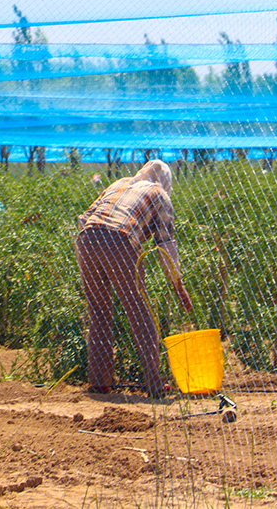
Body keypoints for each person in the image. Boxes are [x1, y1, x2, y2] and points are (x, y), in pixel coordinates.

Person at [75, 159, 192, 397]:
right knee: (139, 312)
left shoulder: (119, 183)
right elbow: (165, 247)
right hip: (120, 239)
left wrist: (88, 261)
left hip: (87, 239)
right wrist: (179, 287)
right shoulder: (159, 195)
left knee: (99, 312)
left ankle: (100, 383)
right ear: (166, 182)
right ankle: (154, 383)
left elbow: (83, 218)